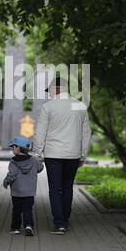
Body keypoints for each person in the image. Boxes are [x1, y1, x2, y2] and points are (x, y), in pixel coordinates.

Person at [33, 76, 92, 235]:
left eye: (50, 91)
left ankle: (59, 224)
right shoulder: (80, 106)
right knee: (67, 187)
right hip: (73, 155)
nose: (50, 94)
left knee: (54, 189)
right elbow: (86, 133)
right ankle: (65, 221)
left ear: (57, 89)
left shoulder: (49, 107)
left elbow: (40, 133)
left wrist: (38, 155)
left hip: (53, 155)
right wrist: (82, 156)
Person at [3, 135, 44, 236]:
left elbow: (11, 175)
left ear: (18, 147)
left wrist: (6, 182)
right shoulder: (33, 160)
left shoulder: (13, 162)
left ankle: (15, 228)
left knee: (16, 210)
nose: (13, 149)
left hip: (17, 192)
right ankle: (29, 225)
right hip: (29, 192)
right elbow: (40, 168)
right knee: (27, 209)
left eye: (13, 147)